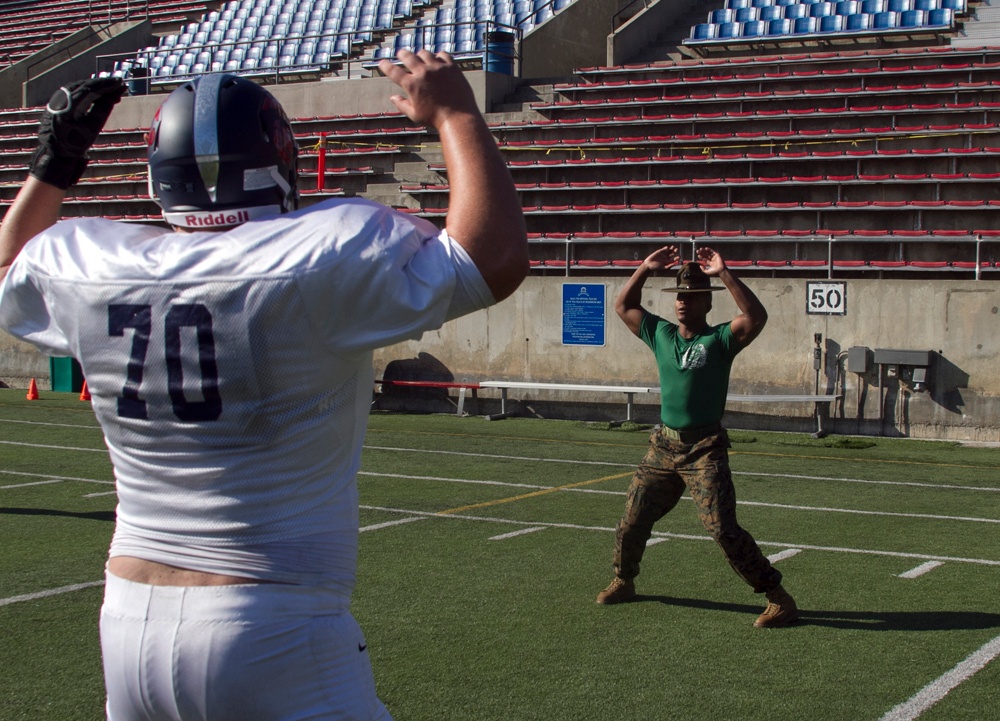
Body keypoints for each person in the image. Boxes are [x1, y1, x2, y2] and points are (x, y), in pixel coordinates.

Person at [0, 51, 527, 719]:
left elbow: (11, 265)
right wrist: (454, 111)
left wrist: (54, 164)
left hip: (128, 616)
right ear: (280, 164)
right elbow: (492, 257)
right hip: (272, 617)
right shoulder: (321, 251)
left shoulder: (89, 261)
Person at [595, 245, 797, 629]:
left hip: (704, 449)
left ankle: (778, 597)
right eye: (679, 297)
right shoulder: (660, 334)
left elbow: (756, 316)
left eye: (692, 297)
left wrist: (724, 273)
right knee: (632, 519)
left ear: (707, 302)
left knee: (722, 527)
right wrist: (644, 268)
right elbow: (623, 306)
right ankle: (624, 579)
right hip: (664, 446)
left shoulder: (720, 340)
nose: (683, 303)